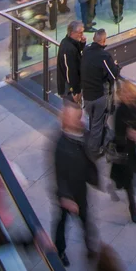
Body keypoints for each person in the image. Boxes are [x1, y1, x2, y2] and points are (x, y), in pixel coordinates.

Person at [52, 103, 98, 260]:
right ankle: (60, 250)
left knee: (85, 220)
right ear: (67, 120)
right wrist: (65, 197)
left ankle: (90, 248)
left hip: (80, 188)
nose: (81, 120)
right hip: (67, 194)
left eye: (80, 116)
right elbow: (59, 174)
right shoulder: (62, 145)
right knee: (62, 222)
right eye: (77, 118)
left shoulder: (81, 135)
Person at [109, 79, 136, 224]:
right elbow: (118, 135)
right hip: (123, 149)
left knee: (127, 177)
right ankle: (133, 209)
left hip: (132, 149)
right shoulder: (120, 111)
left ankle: (118, 184)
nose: (130, 97)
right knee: (128, 180)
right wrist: (128, 135)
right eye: (127, 94)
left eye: (132, 94)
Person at [82, 27, 120, 156]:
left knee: (93, 121)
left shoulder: (85, 51)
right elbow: (114, 75)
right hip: (98, 96)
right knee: (98, 124)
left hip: (86, 96)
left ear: (93, 39)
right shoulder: (104, 56)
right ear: (103, 41)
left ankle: (99, 142)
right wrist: (116, 66)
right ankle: (94, 150)